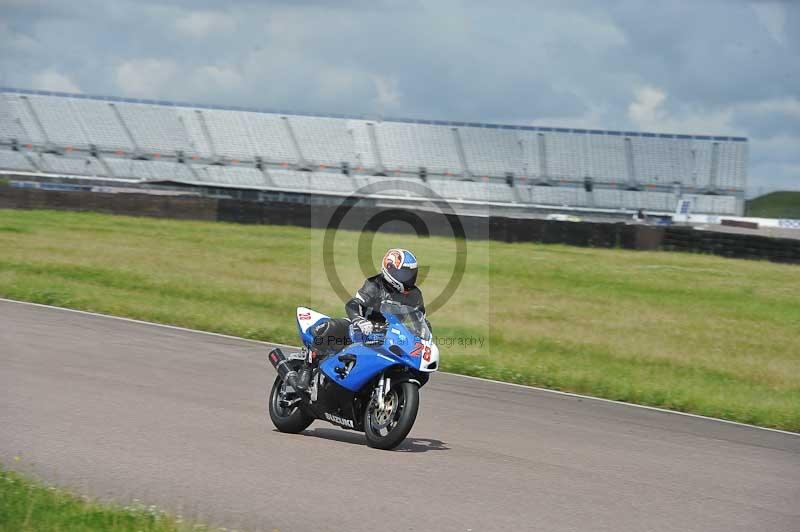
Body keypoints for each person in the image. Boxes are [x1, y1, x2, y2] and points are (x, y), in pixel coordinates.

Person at [288, 248, 426, 390]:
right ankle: (307, 368)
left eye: (411, 274)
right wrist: (360, 321)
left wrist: (422, 337)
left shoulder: (415, 295)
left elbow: (420, 321)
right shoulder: (375, 284)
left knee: (418, 367)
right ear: (389, 269)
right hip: (361, 330)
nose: (408, 278)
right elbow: (353, 304)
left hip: (390, 338)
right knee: (330, 328)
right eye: (403, 273)